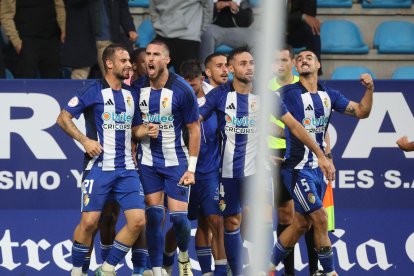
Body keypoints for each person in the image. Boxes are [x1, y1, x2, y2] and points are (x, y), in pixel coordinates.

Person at [199, 46, 334, 275]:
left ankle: (266, 268)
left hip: (259, 171)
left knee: (262, 219)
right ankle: (234, 269)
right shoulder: (220, 95)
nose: (249, 67)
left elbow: (292, 125)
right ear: (231, 69)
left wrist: (321, 154)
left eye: (251, 62)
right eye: (243, 63)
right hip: (228, 170)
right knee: (231, 222)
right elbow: (196, 120)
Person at [56, 44, 158, 276]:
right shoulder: (93, 90)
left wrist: (147, 130)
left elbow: (135, 130)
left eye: (130, 60)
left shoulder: (131, 94)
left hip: (128, 169)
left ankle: (108, 267)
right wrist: (85, 141)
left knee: (138, 221)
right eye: (124, 60)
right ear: (109, 64)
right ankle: (76, 271)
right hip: (99, 167)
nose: (130, 64)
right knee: (90, 223)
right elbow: (62, 118)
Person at [270, 49, 374, 276]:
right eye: (299, 59)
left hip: (318, 169)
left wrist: (370, 89)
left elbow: (362, 112)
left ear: (318, 65)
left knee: (300, 225)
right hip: (297, 169)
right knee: (320, 217)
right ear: (296, 68)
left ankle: (266, 267)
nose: (303, 60)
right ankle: (329, 272)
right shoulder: (285, 94)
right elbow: (292, 127)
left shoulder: (329, 95)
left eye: (309, 57)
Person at [132, 39, 201, 276]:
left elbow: (194, 129)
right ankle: (156, 268)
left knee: (180, 220)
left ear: (166, 60)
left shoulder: (182, 89)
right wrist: (140, 132)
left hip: (176, 162)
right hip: (148, 162)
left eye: (156, 54)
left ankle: (183, 255)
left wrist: (191, 168)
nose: (150, 58)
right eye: (148, 54)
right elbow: (130, 129)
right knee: (153, 216)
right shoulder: (137, 88)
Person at [269, 45, 332, 276]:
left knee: (309, 217)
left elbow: (319, 126)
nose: (280, 64)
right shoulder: (268, 90)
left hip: (308, 159)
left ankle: (315, 270)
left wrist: (327, 155)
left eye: (284, 59)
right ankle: (288, 271)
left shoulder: (305, 86)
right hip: (277, 161)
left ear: (291, 63)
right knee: (290, 216)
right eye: (276, 60)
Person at [162, 59, 228, 276]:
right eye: (186, 85)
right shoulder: (173, 97)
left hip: (209, 171)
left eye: (194, 85)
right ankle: (167, 263)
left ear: (202, 78)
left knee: (213, 221)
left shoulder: (216, 98)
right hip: (182, 170)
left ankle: (212, 272)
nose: (190, 90)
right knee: (179, 222)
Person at [62, 0, 138, 79]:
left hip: (107, 40)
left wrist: (130, 28)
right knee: (79, 78)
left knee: (114, 78)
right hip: (83, 40)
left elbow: (122, 7)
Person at [0, 0, 65, 78]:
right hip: (25, 41)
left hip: (52, 38)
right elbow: (6, 15)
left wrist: (64, 28)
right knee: (25, 85)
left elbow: (59, 6)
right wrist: (16, 42)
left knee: (55, 83)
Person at [150, 0, 213, 72]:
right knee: (153, 76)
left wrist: (200, 29)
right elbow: (153, 7)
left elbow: (209, 8)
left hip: (188, 38)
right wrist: (157, 24)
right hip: (162, 35)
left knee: (189, 78)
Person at [199, 0, 255, 71]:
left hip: (237, 32)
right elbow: (202, 19)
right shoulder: (210, 2)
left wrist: (237, 10)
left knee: (256, 36)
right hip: (215, 30)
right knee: (207, 31)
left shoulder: (242, 2)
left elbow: (248, 21)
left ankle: (257, 74)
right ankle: (205, 71)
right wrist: (216, 7)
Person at [287, 0, 322, 75]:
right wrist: (302, 16)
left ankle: (315, 73)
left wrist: (303, 17)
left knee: (312, 31)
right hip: (276, 30)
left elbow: (310, 15)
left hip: (295, 29)